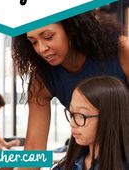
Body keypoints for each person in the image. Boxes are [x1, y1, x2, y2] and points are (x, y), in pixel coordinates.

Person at [12, 10, 129, 151]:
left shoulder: (122, 51)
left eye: (48, 37)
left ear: (71, 28)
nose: (41, 49)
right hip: (87, 155)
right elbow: (34, 148)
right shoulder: (41, 80)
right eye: (33, 42)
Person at [53, 76, 129, 170]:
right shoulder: (71, 158)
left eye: (81, 115)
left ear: (108, 118)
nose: (72, 123)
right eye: (72, 113)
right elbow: (41, 156)